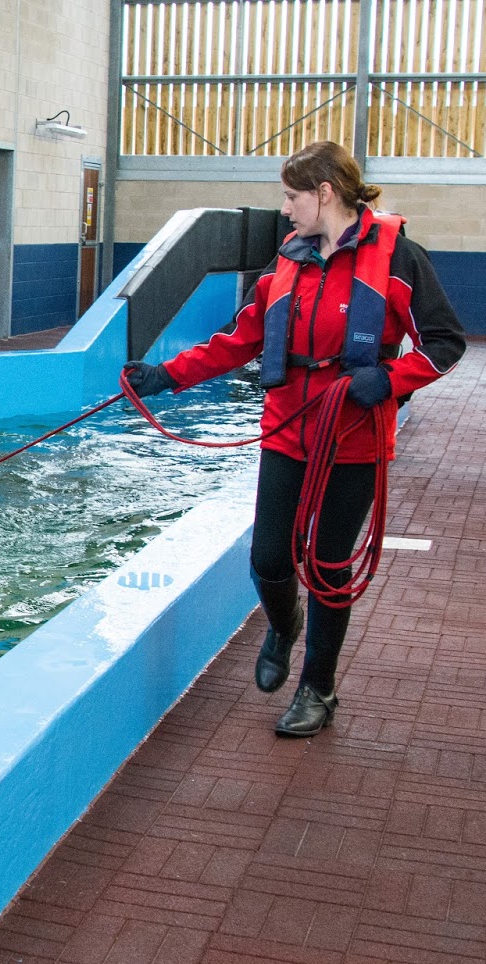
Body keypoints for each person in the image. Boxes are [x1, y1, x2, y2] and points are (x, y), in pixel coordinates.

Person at [124, 140, 465, 738]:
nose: (284, 209)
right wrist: (166, 377)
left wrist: (388, 379)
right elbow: (241, 339)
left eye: (291, 196)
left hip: (355, 435)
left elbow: (444, 343)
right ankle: (283, 624)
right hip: (287, 429)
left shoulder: (400, 260)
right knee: (269, 558)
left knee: (332, 566)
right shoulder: (287, 261)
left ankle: (318, 689)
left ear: (325, 193)